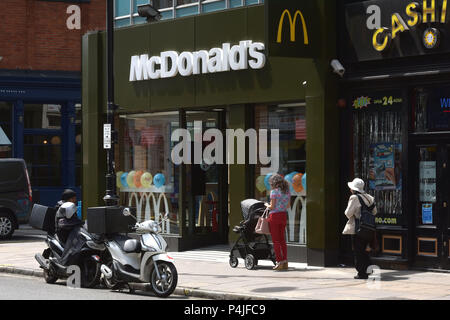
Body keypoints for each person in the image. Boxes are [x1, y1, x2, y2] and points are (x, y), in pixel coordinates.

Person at [343, 178, 377, 279]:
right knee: (365, 250)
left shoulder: (354, 198)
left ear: (354, 189)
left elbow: (348, 213)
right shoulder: (369, 197)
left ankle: (362, 273)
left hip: (358, 228)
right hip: (369, 228)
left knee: (358, 251)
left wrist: (357, 214)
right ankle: (368, 269)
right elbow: (374, 212)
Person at [265, 174, 290, 271]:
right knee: (282, 240)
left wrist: (267, 205)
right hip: (283, 216)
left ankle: (279, 262)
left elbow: (272, 206)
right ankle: (285, 262)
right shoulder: (287, 191)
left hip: (274, 216)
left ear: (274, 183)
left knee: (276, 241)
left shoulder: (274, 192)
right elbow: (288, 205)